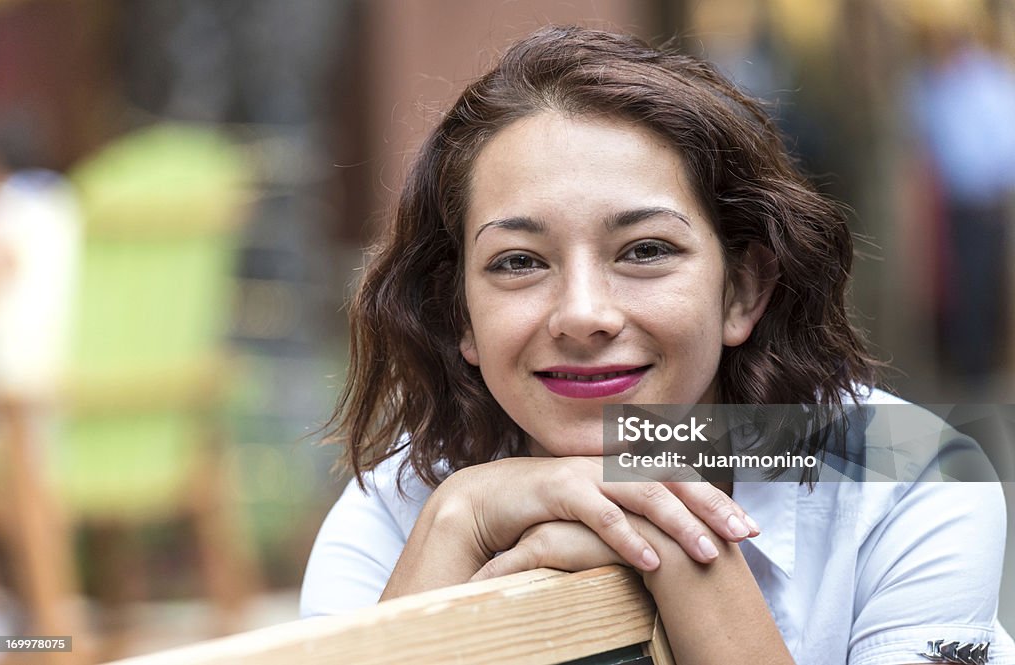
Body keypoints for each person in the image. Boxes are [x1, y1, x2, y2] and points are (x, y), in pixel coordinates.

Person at [301, 26, 1014, 664]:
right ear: (461, 315)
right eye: (519, 261)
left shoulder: (909, 470)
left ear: (741, 290)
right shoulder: (400, 508)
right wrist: (456, 524)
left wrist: (680, 548)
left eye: (644, 250)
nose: (582, 315)